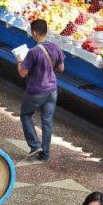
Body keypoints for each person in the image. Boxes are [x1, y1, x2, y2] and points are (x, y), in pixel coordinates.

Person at [17, 19, 64, 161]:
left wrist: (19, 60)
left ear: (35, 33)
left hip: (36, 90)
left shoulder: (33, 52)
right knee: (47, 121)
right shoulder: (56, 47)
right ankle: (45, 153)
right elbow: (61, 68)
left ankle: (35, 144)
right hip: (52, 90)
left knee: (25, 115)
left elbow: (22, 73)